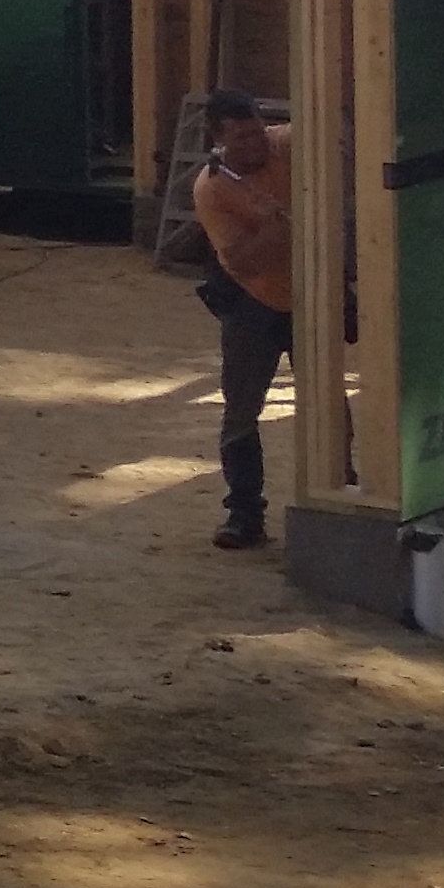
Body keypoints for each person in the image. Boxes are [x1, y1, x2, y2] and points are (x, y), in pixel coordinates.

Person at [190, 92, 295, 552]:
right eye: (241, 139)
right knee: (241, 411)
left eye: (257, 133)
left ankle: (342, 492)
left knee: (329, 405)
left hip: (310, 294)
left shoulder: (288, 144)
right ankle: (245, 513)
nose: (255, 146)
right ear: (219, 140)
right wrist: (278, 227)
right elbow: (245, 263)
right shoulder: (211, 189)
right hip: (254, 303)